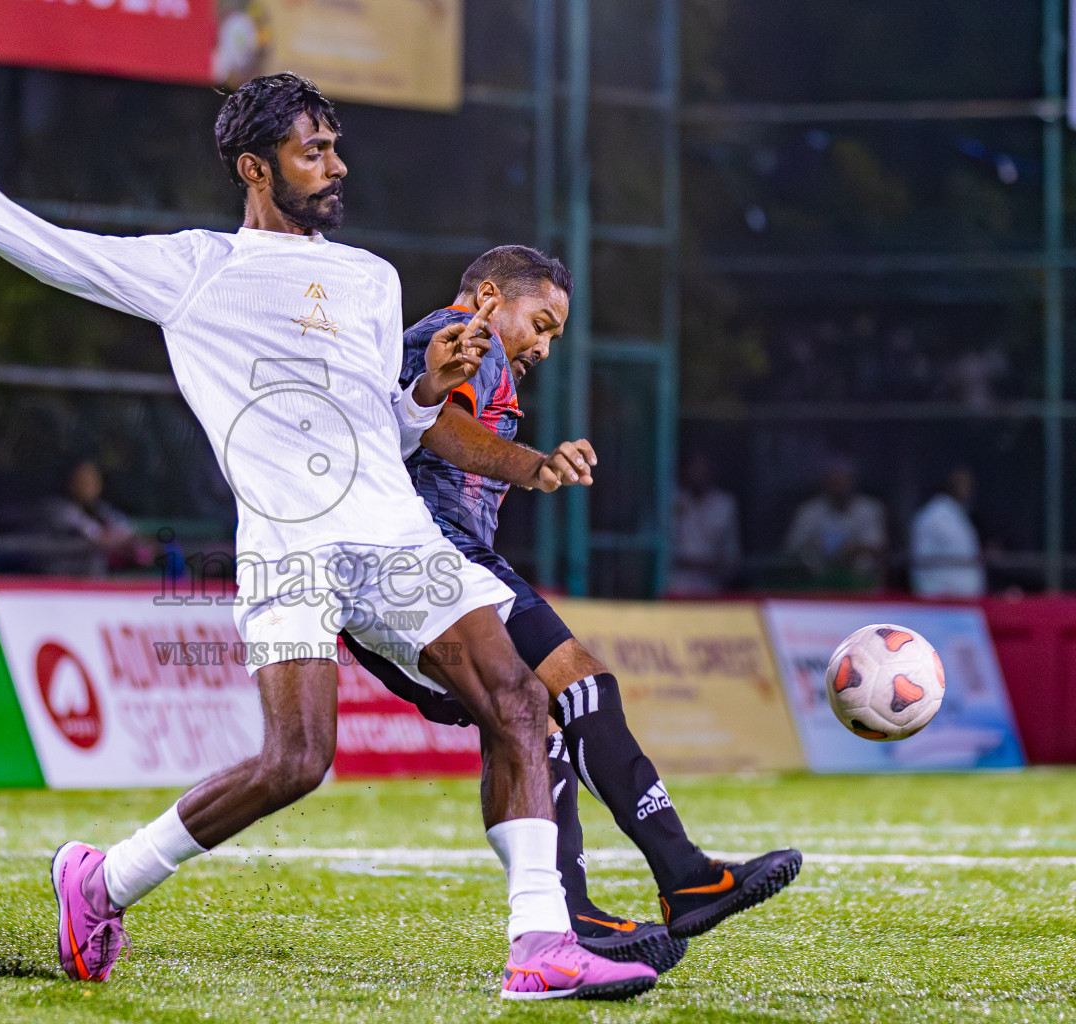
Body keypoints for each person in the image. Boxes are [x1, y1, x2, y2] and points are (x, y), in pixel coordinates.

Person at [0, 72, 659, 1001]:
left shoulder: (372, 279)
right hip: (288, 549)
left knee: (521, 704)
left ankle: (539, 947)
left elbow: (387, 429)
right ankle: (103, 879)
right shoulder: (199, 269)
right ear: (255, 167)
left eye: (333, 147)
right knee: (297, 762)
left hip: (396, 541)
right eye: (311, 151)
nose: (335, 166)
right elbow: (57, 252)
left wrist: (425, 388)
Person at [342, 246, 801, 974]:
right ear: (490, 297)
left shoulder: (480, 348)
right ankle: (681, 877)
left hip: (420, 572)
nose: (546, 346)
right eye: (542, 323)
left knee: (534, 725)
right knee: (580, 687)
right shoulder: (466, 334)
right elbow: (433, 426)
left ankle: (576, 915)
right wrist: (533, 463)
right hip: (422, 560)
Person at [783, 457, 887, 589]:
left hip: (859, 579)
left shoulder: (870, 508)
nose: (840, 488)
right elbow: (791, 548)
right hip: (816, 579)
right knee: (807, 558)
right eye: (835, 482)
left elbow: (877, 546)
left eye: (844, 481)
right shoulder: (809, 511)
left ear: (853, 482)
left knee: (865, 560)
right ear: (825, 483)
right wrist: (815, 547)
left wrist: (852, 549)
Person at [47, 460, 153, 575]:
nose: (87, 485)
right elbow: (94, 538)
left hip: (109, 578)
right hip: (71, 578)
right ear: (71, 483)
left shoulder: (104, 510)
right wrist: (115, 539)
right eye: (81, 480)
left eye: (92, 481)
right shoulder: (59, 510)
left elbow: (127, 532)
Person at [666, 451, 741, 596]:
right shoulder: (671, 499)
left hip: (710, 590)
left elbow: (731, 559)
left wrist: (702, 564)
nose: (698, 473)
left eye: (702, 468)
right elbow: (659, 549)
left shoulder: (725, 504)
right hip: (675, 587)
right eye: (694, 467)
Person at [910, 467, 985, 598]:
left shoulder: (957, 513)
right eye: (962, 483)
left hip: (963, 597)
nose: (967, 489)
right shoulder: (932, 516)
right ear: (951, 485)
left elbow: (964, 552)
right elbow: (922, 559)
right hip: (941, 596)